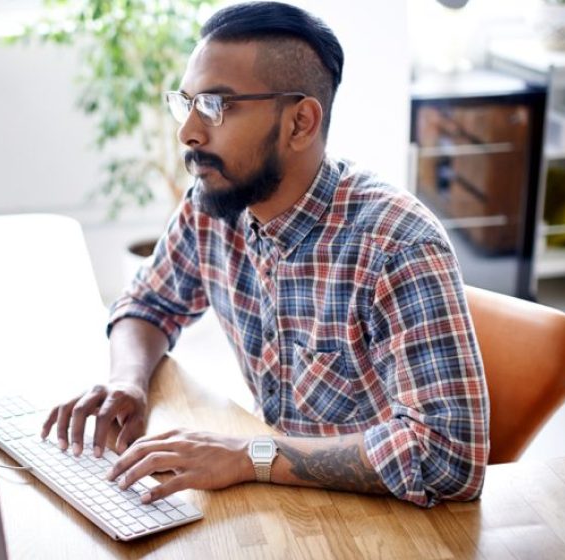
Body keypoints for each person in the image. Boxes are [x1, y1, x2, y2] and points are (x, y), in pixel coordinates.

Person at [41, 1, 488, 508]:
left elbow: (447, 456)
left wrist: (248, 456)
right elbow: (148, 303)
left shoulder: (397, 246)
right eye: (186, 103)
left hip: (382, 524)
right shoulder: (215, 205)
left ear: (300, 123)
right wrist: (128, 382)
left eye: (216, 105)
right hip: (284, 507)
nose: (187, 132)